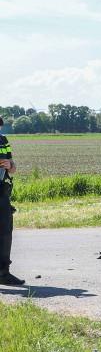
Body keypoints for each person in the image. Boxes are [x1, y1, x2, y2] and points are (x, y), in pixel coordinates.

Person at [0, 115, 25, 286]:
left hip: (2, 190)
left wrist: (10, 165)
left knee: (5, 231)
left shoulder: (3, 140)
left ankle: (3, 273)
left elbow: (14, 167)